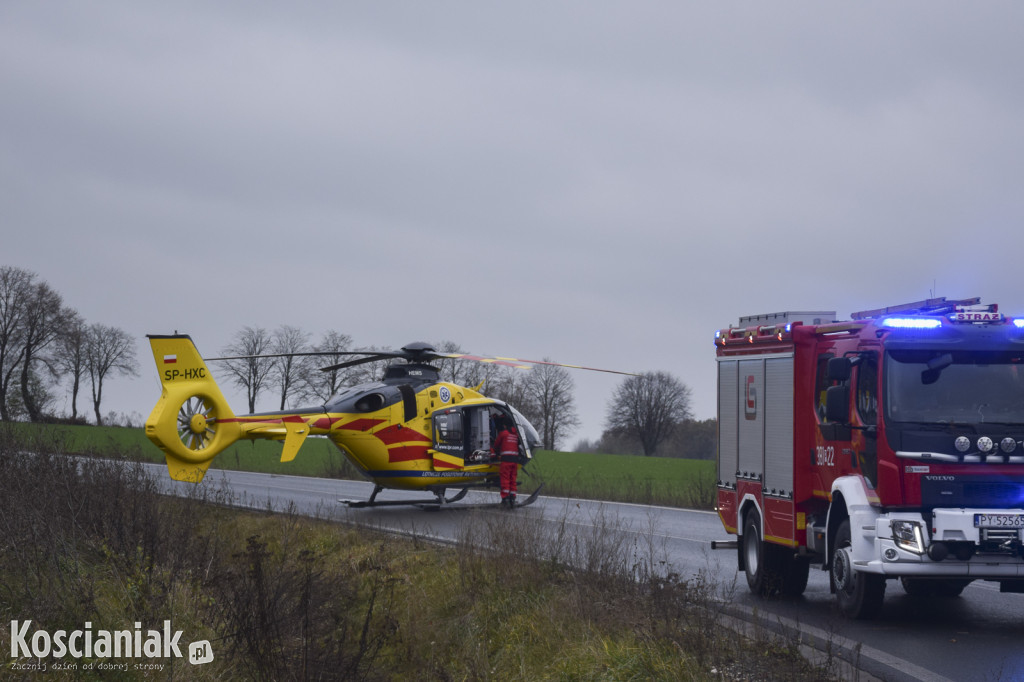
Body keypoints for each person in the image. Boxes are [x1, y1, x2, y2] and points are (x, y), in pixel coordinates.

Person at [491, 417, 520, 509]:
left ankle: (505, 499)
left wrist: (493, 453)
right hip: (515, 461)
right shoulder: (516, 435)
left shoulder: (503, 434)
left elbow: (496, 445)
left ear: (504, 425)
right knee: (513, 479)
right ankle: (513, 498)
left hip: (506, 461)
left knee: (505, 479)